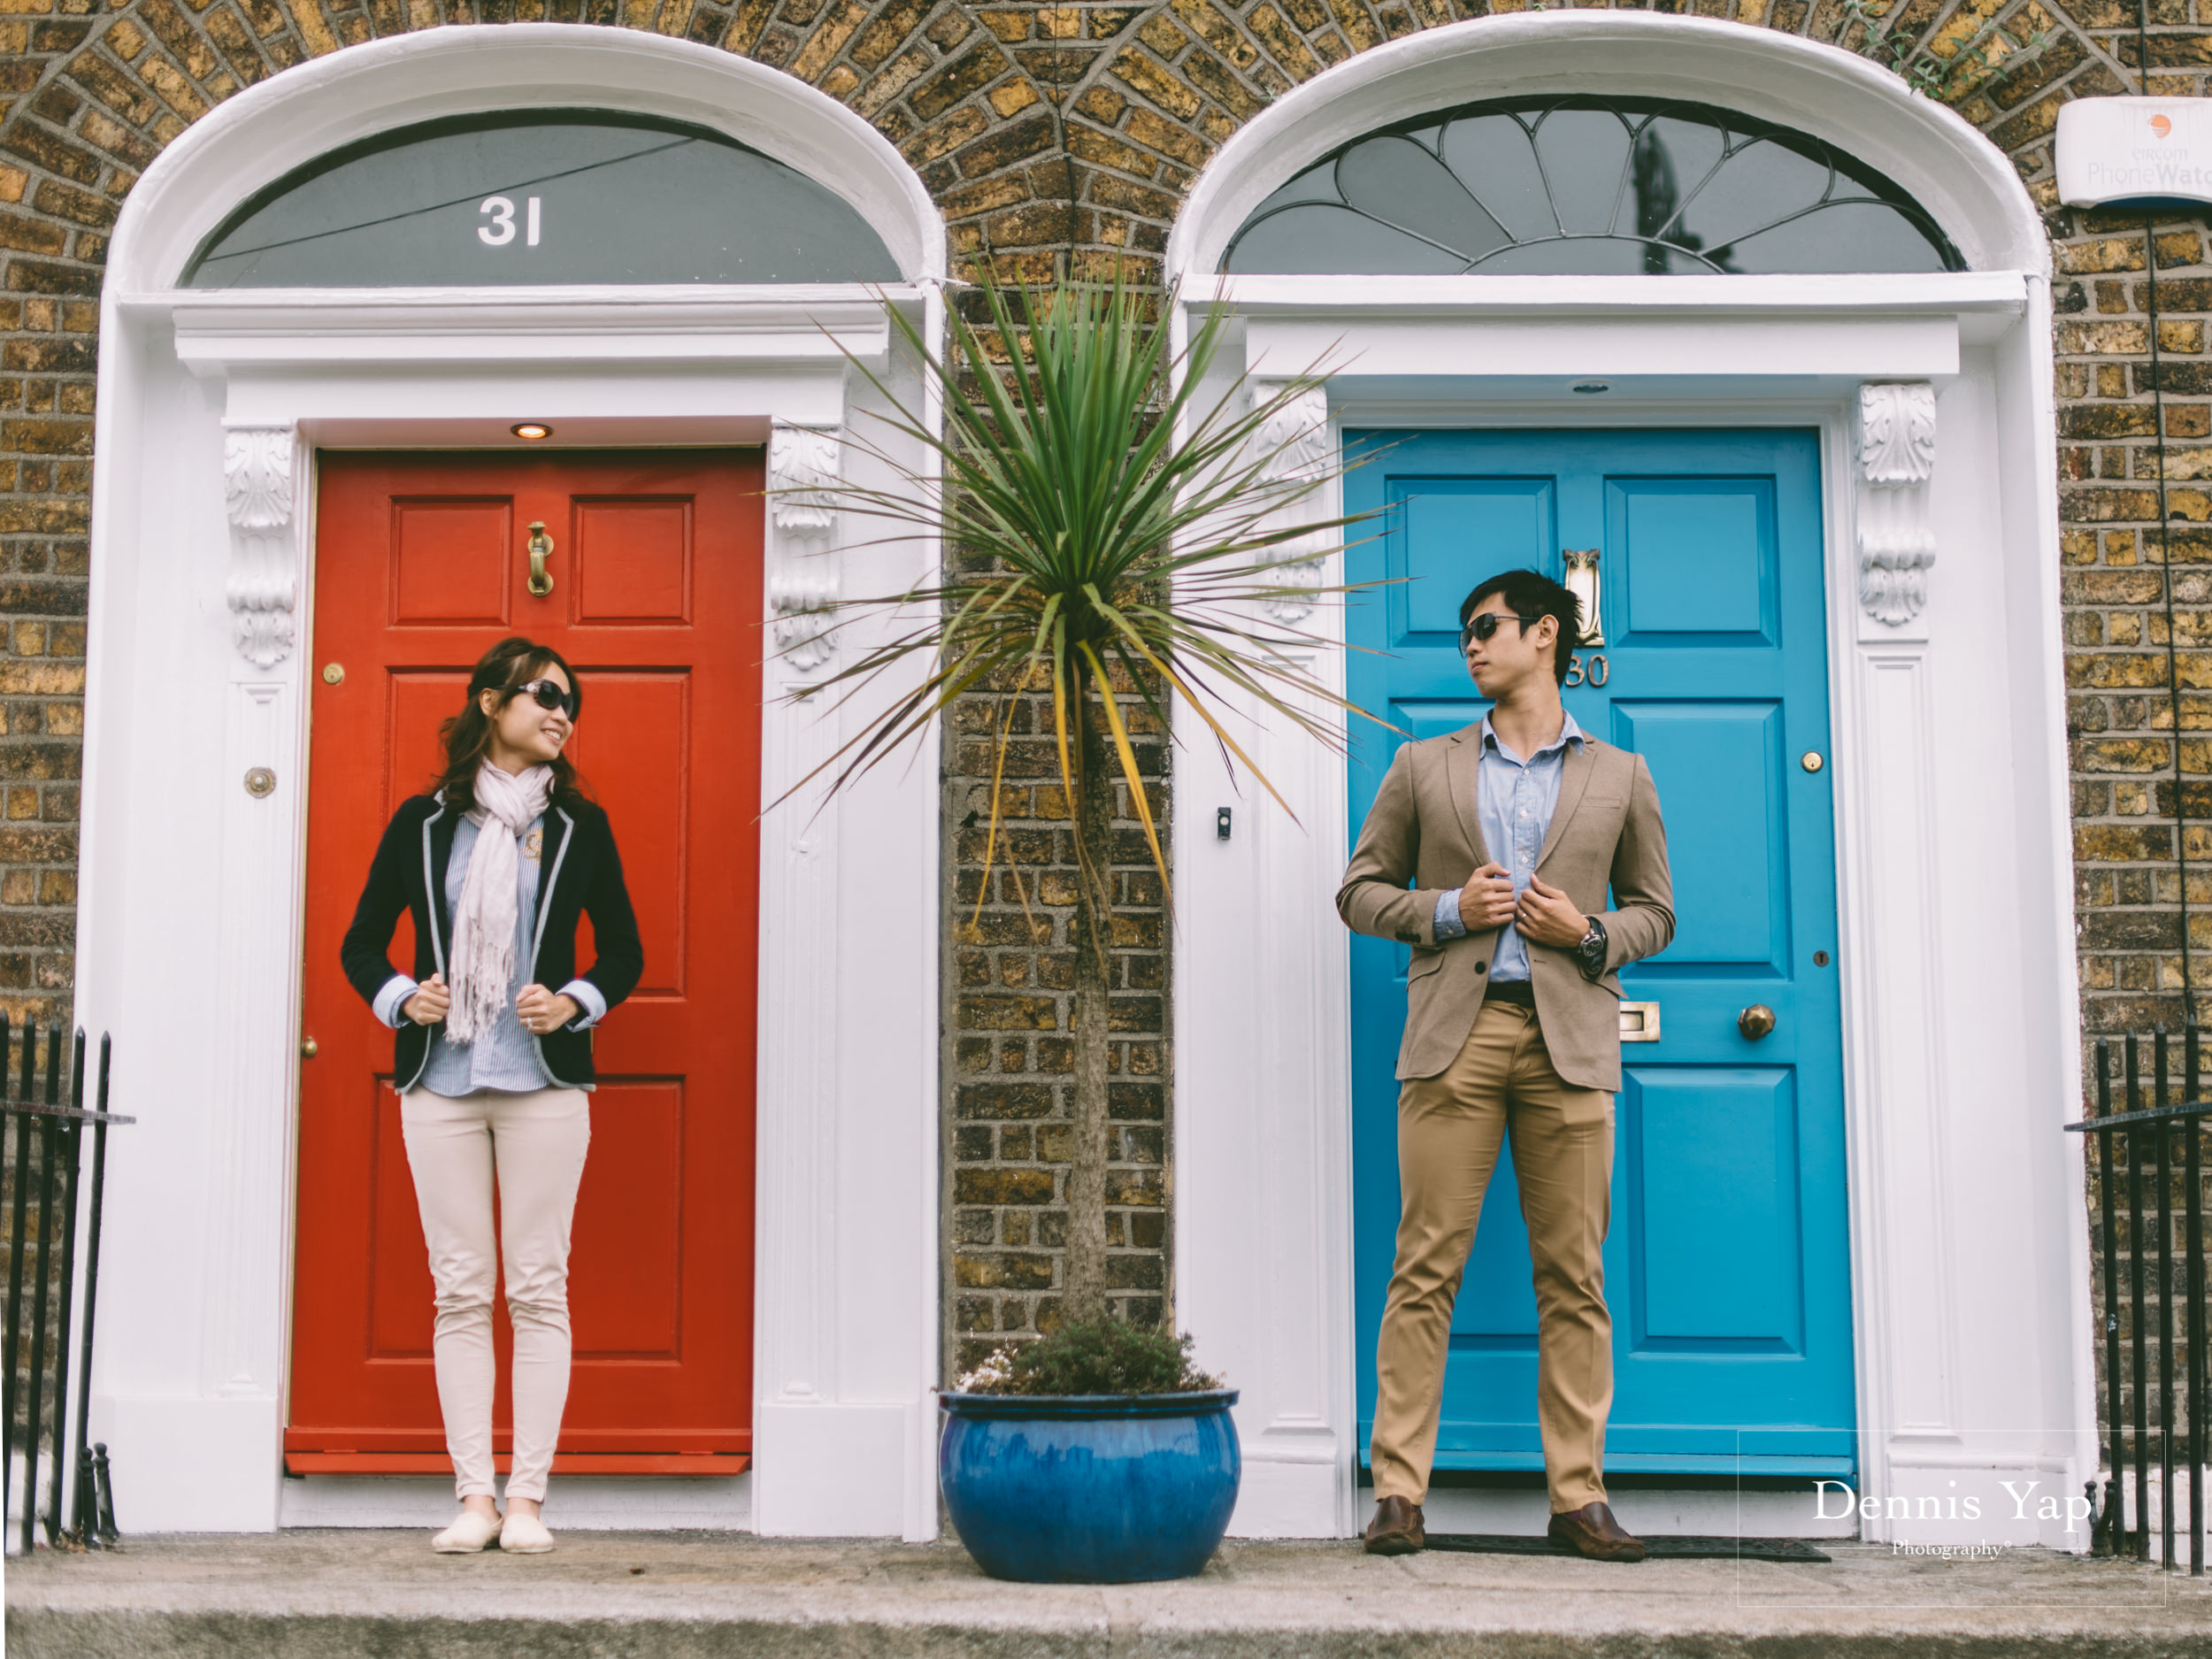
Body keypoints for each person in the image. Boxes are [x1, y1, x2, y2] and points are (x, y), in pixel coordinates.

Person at [1336, 568, 1674, 1563]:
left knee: (1573, 1277)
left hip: (1569, 1043)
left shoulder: (1621, 776)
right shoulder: (1420, 766)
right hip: (1456, 1036)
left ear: (1543, 634)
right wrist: (1447, 911)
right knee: (1423, 1266)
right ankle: (1398, 1491)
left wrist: (1588, 932)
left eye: (1485, 629)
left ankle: (1578, 1497)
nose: (1470, 647)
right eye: (1463, 635)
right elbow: (1358, 891)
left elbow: (1657, 911)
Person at [341, 636, 642, 1555]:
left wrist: (574, 1001)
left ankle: (528, 1501)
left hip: (542, 1085)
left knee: (537, 1288)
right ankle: (474, 1497)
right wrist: (403, 997)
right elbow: (361, 944)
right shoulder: (423, 824)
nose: (562, 712)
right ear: (488, 703)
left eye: (571, 702)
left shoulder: (580, 828)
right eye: (546, 694)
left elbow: (623, 953)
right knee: (460, 1291)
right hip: (440, 1081)